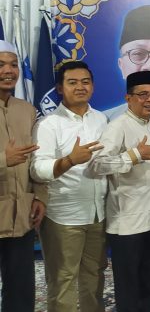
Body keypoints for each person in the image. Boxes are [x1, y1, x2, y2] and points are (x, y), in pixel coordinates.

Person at [31, 61, 108, 311]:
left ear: (92, 86)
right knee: (63, 280)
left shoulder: (102, 120)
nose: (80, 87)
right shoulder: (48, 124)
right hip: (62, 216)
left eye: (85, 82)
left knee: (95, 275)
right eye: (72, 82)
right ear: (60, 88)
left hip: (98, 213)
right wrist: (69, 161)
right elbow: (37, 169)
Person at [90, 71, 150, 312]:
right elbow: (98, 164)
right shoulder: (118, 126)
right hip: (128, 223)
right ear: (128, 98)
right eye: (143, 95)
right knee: (128, 285)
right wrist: (134, 155)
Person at [0, 40, 46, 311]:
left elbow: (35, 158)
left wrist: (39, 196)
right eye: (1, 65)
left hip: (21, 215)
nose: (9, 71)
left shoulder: (26, 110)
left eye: (14, 65)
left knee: (20, 289)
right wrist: (4, 160)